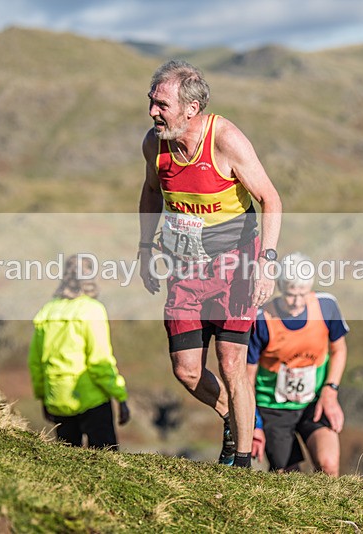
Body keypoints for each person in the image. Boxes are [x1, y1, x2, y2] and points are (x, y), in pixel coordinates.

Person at [137, 60, 282, 468]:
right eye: (151, 102)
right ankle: (234, 419)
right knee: (185, 370)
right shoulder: (155, 143)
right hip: (185, 269)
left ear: (191, 108)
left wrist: (266, 264)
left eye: (161, 104)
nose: (152, 112)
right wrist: (146, 247)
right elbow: (151, 190)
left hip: (237, 266)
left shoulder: (226, 139)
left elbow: (271, 199)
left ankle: (241, 463)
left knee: (232, 363)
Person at [247, 252, 349, 475]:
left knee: (328, 465)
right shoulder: (262, 319)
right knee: (288, 476)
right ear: (280, 287)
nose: (297, 302)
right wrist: (254, 425)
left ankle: (330, 510)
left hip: (313, 402)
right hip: (272, 408)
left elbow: (339, 349)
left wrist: (330, 392)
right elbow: (247, 379)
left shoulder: (326, 307)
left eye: (303, 294)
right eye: (291, 295)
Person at [28, 254, 130, 449]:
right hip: (91, 398)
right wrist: (120, 396)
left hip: (57, 397)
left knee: (68, 462)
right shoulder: (92, 310)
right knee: (106, 462)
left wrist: (43, 396)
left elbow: (35, 362)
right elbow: (99, 362)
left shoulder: (47, 311)